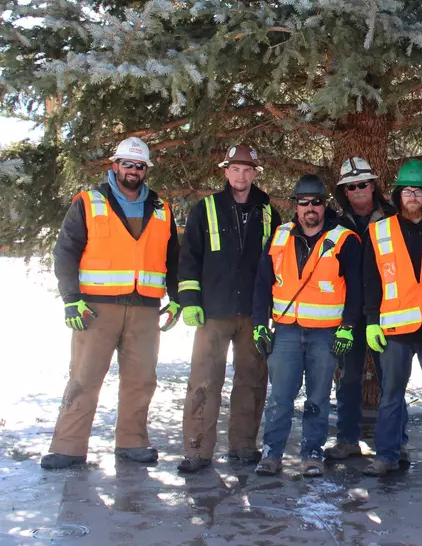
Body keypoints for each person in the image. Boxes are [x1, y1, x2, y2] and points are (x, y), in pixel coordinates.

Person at [43, 137, 180, 470]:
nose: (133, 170)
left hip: (146, 309)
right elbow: (66, 253)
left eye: (139, 166)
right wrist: (71, 299)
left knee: (141, 379)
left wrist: (177, 298)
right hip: (96, 309)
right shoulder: (89, 202)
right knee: (85, 376)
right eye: (127, 164)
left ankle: (132, 442)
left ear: (146, 170)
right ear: (114, 165)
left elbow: (174, 258)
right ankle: (68, 447)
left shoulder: (161, 208)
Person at [176, 144, 282, 473]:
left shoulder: (268, 213)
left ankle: (243, 446)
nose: (241, 175)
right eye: (235, 169)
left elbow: (278, 263)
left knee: (251, 380)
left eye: (247, 170)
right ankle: (197, 450)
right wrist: (190, 301)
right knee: (204, 381)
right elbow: (189, 258)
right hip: (213, 312)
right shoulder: (205, 208)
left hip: (253, 312)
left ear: (255, 173)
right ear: (225, 172)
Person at [251, 174, 362, 477]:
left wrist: (348, 327)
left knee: (317, 397)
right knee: (280, 397)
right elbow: (262, 285)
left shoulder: (344, 239)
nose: (310, 208)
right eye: (304, 202)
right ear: (296, 206)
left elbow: (357, 289)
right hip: (285, 330)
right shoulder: (279, 236)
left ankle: (312, 454)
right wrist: (259, 325)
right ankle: (272, 454)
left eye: (316, 202)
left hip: (326, 333)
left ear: (324, 205)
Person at [361, 160, 422, 476]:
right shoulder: (378, 231)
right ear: (398, 194)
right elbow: (371, 281)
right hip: (394, 330)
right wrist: (372, 320)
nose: (413, 196)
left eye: (419, 190)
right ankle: (387, 456)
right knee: (390, 397)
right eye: (407, 191)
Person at [326, 156, 396, 461]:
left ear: (373, 184)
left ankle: (394, 444)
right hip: (349, 314)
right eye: (351, 186)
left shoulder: (394, 217)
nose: (358, 190)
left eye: (363, 183)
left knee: (390, 380)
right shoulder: (336, 224)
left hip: (388, 312)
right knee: (349, 378)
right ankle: (347, 439)